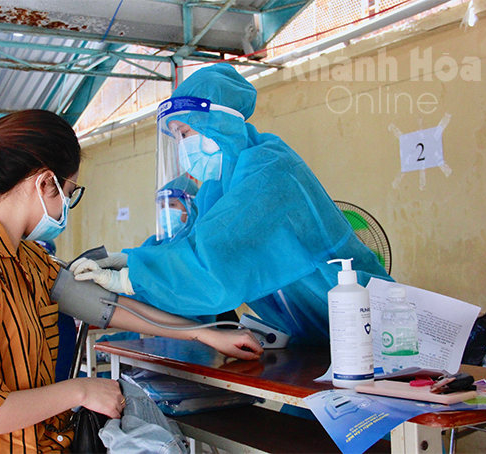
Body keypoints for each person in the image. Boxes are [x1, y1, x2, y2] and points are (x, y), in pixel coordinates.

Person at [0, 109, 262, 454]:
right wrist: (80, 391)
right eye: (69, 193)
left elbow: (106, 307)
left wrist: (202, 333)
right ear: (44, 183)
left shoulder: (25, 257)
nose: (66, 205)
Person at [73, 64, 392, 345]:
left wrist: (132, 277)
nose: (182, 147)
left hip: (371, 328)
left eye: (184, 132)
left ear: (217, 123)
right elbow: (188, 244)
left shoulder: (268, 170)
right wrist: (128, 261)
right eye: (176, 139)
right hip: (313, 338)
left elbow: (214, 263)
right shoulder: (216, 189)